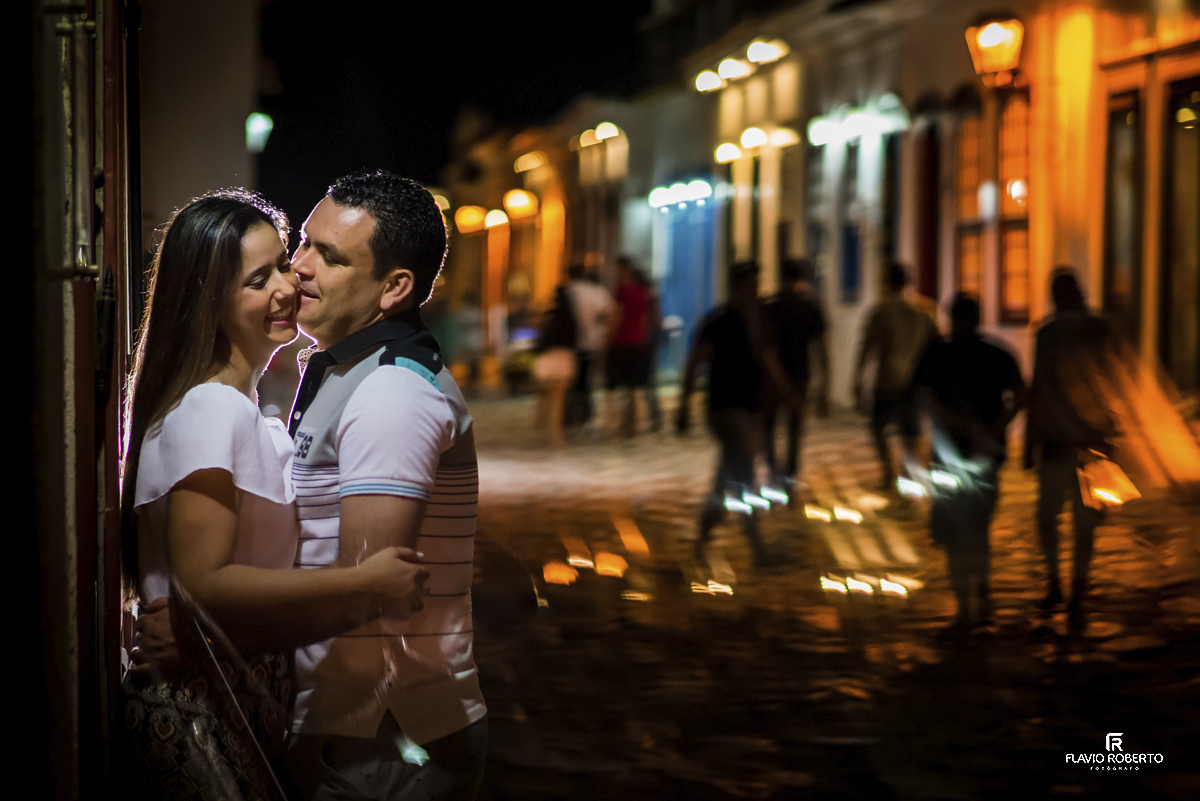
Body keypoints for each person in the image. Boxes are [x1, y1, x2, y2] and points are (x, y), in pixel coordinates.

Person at [121, 190, 431, 801]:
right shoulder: (211, 407)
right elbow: (203, 584)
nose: (288, 287)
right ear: (207, 300)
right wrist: (363, 583)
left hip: (233, 693)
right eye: (257, 280)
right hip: (197, 706)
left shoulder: (248, 413)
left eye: (283, 264)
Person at [283, 171, 487, 800]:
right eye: (303, 243)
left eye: (330, 256)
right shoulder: (352, 371)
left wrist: (208, 624)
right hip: (357, 720)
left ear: (395, 288)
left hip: (384, 732)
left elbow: (363, 590)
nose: (299, 267)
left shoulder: (390, 393)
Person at [913, 294, 1025, 637]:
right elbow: (1019, 396)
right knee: (979, 528)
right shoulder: (999, 354)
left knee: (954, 534)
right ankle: (983, 595)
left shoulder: (936, 354)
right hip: (986, 454)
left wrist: (957, 425)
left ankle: (965, 608)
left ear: (950, 318)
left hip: (949, 455)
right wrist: (994, 428)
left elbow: (923, 398)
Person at [677, 262, 799, 568]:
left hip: (750, 409)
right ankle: (758, 549)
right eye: (748, 285)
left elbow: (769, 361)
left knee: (726, 478)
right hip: (725, 408)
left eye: (755, 285)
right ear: (736, 287)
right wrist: (683, 404)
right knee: (743, 474)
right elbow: (695, 362)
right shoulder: (718, 321)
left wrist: (785, 393)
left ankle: (703, 540)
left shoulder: (760, 322)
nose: (753, 291)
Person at [1027, 268, 1115, 632]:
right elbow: (1115, 378)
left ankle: (1055, 584)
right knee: (1086, 523)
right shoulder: (1102, 328)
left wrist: (1030, 443)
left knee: (1048, 517)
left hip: (1057, 442)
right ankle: (1077, 591)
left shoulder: (1047, 333)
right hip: (1095, 440)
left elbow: (1038, 388)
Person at [853, 263, 939, 490]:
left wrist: (858, 378)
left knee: (878, 428)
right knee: (911, 430)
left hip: (887, 379)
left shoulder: (881, 311)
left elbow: (867, 347)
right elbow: (937, 344)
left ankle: (889, 471)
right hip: (914, 380)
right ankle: (907, 469)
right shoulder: (926, 309)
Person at [762, 257, 829, 492]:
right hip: (800, 376)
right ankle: (789, 479)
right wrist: (824, 389)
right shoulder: (811, 307)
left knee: (769, 429)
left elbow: (764, 347)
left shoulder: (771, 306)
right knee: (795, 432)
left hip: (772, 379)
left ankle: (774, 473)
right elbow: (822, 349)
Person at [606, 256, 652, 435]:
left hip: (622, 342)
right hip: (638, 341)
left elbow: (617, 316)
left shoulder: (622, 291)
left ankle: (615, 423)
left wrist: (608, 338)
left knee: (614, 385)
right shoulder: (642, 292)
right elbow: (645, 319)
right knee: (635, 386)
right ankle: (636, 423)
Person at [565, 262, 614, 428]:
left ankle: (572, 416)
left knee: (574, 382)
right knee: (586, 381)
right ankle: (586, 415)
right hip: (593, 341)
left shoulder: (570, 291)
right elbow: (607, 313)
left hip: (573, 344)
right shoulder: (596, 292)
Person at [532, 284, 578, 447]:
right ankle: (556, 436)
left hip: (548, 361)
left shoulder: (550, 319)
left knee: (545, 399)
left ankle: (541, 429)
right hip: (565, 361)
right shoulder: (572, 321)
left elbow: (541, 342)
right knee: (558, 402)